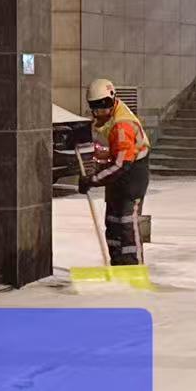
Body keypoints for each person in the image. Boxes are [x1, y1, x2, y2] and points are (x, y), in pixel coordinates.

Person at [80, 78, 151, 267]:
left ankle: (133, 266)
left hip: (132, 178)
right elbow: (117, 153)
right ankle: (117, 263)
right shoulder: (113, 116)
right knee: (112, 222)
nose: (99, 112)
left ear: (112, 101)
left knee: (126, 223)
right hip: (119, 177)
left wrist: (93, 180)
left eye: (103, 106)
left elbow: (122, 164)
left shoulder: (122, 125)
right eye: (95, 107)